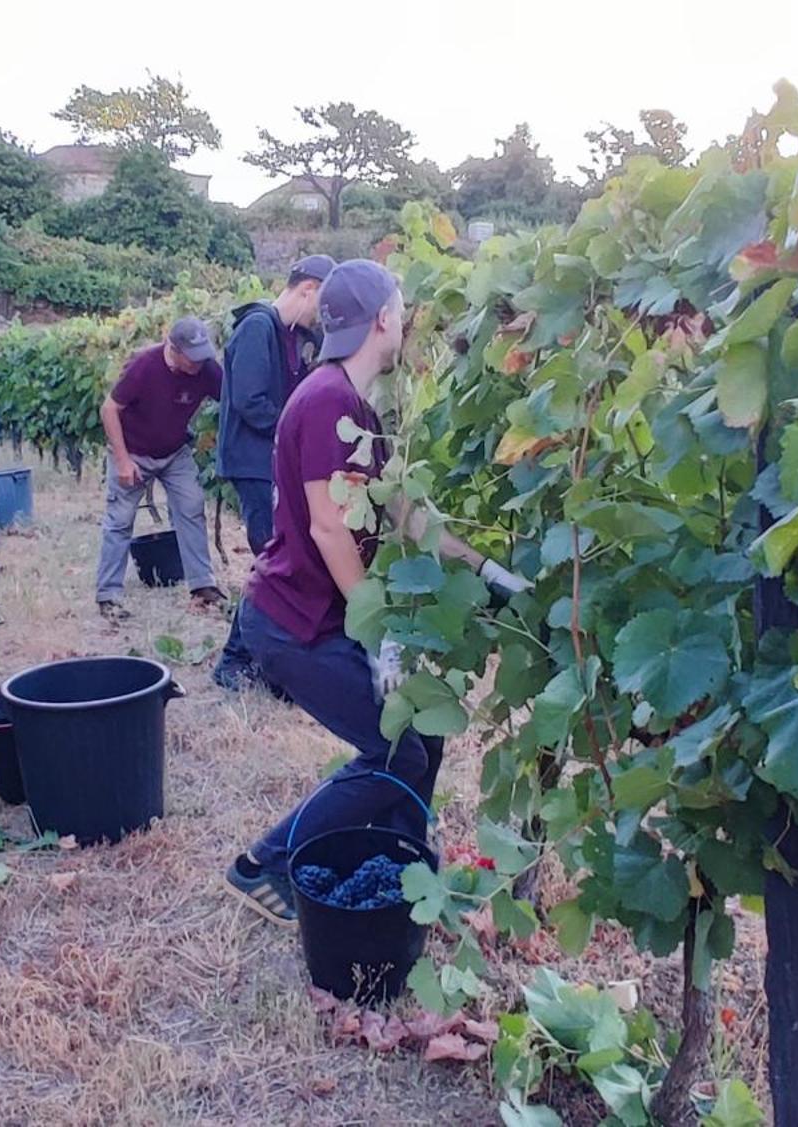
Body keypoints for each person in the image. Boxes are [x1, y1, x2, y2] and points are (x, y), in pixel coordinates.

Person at [222, 261, 529, 924]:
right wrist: (375, 632)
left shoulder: (351, 407)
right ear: (383, 318)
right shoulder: (327, 400)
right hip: (290, 623)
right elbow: (331, 527)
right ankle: (266, 861)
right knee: (393, 753)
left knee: (421, 734)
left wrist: (486, 570)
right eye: (402, 305)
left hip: (311, 616)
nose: (408, 317)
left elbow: (407, 515)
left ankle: (401, 873)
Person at [211, 254, 334, 692]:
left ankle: (259, 660)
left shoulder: (287, 334)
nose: (321, 315)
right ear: (308, 289)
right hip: (254, 463)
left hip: (269, 464)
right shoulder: (258, 327)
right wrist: (300, 431)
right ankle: (234, 661)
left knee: (273, 560)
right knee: (272, 563)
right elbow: (250, 402)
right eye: (322, 303)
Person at [94, 317, 225, 620]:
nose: (198, 364)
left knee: (192, 507)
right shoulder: (144, 366)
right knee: (120, 519)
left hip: (174, 452)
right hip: (134, 451)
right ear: (174, 349)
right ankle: (108, 596)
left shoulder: (206, 368)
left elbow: (231, 400)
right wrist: (123, 460)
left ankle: (202, 586)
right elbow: (109, 408)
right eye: (192, 357)